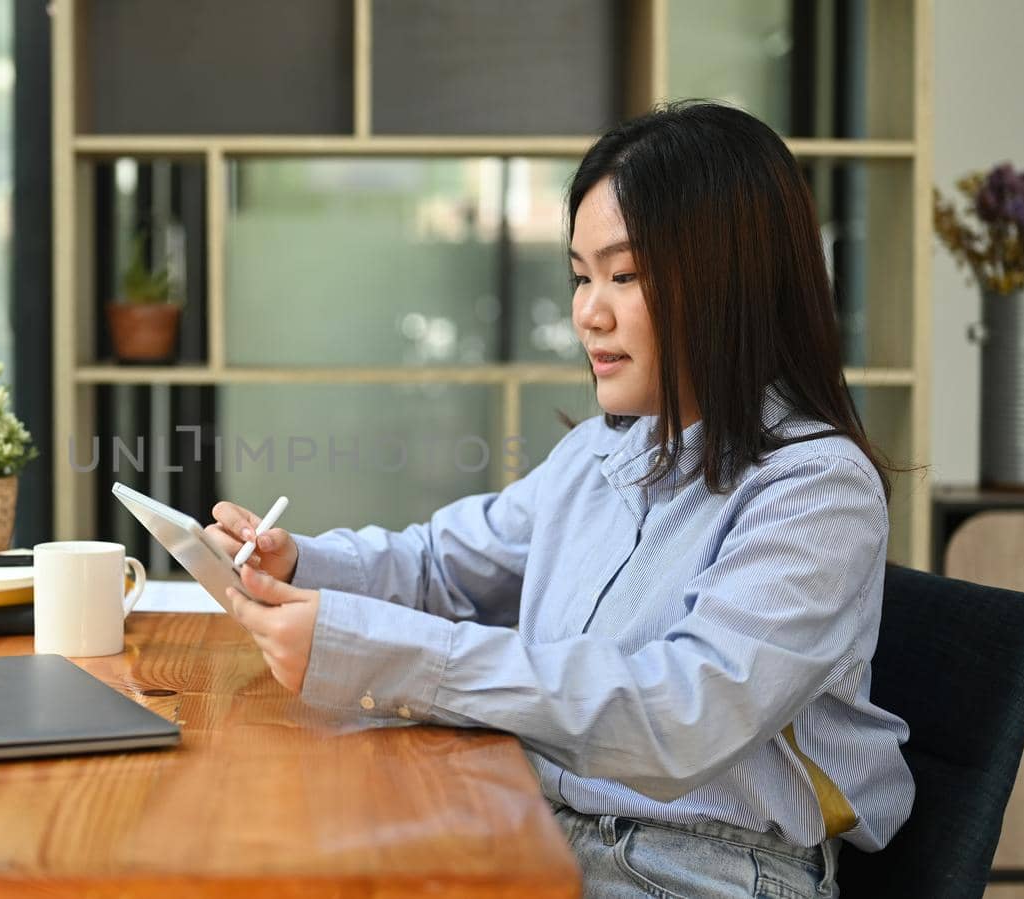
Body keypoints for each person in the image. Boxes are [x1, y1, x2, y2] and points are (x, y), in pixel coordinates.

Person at [204, 101, 913, 898]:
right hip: (534, 822)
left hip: (699, 868)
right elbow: (445, 566)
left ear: (732, 280)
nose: (588, 312)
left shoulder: (816, 491)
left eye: (626, 274)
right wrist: (300, 559)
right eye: (580, 275)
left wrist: (383, 651)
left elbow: (682, 717)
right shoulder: (602, 450)